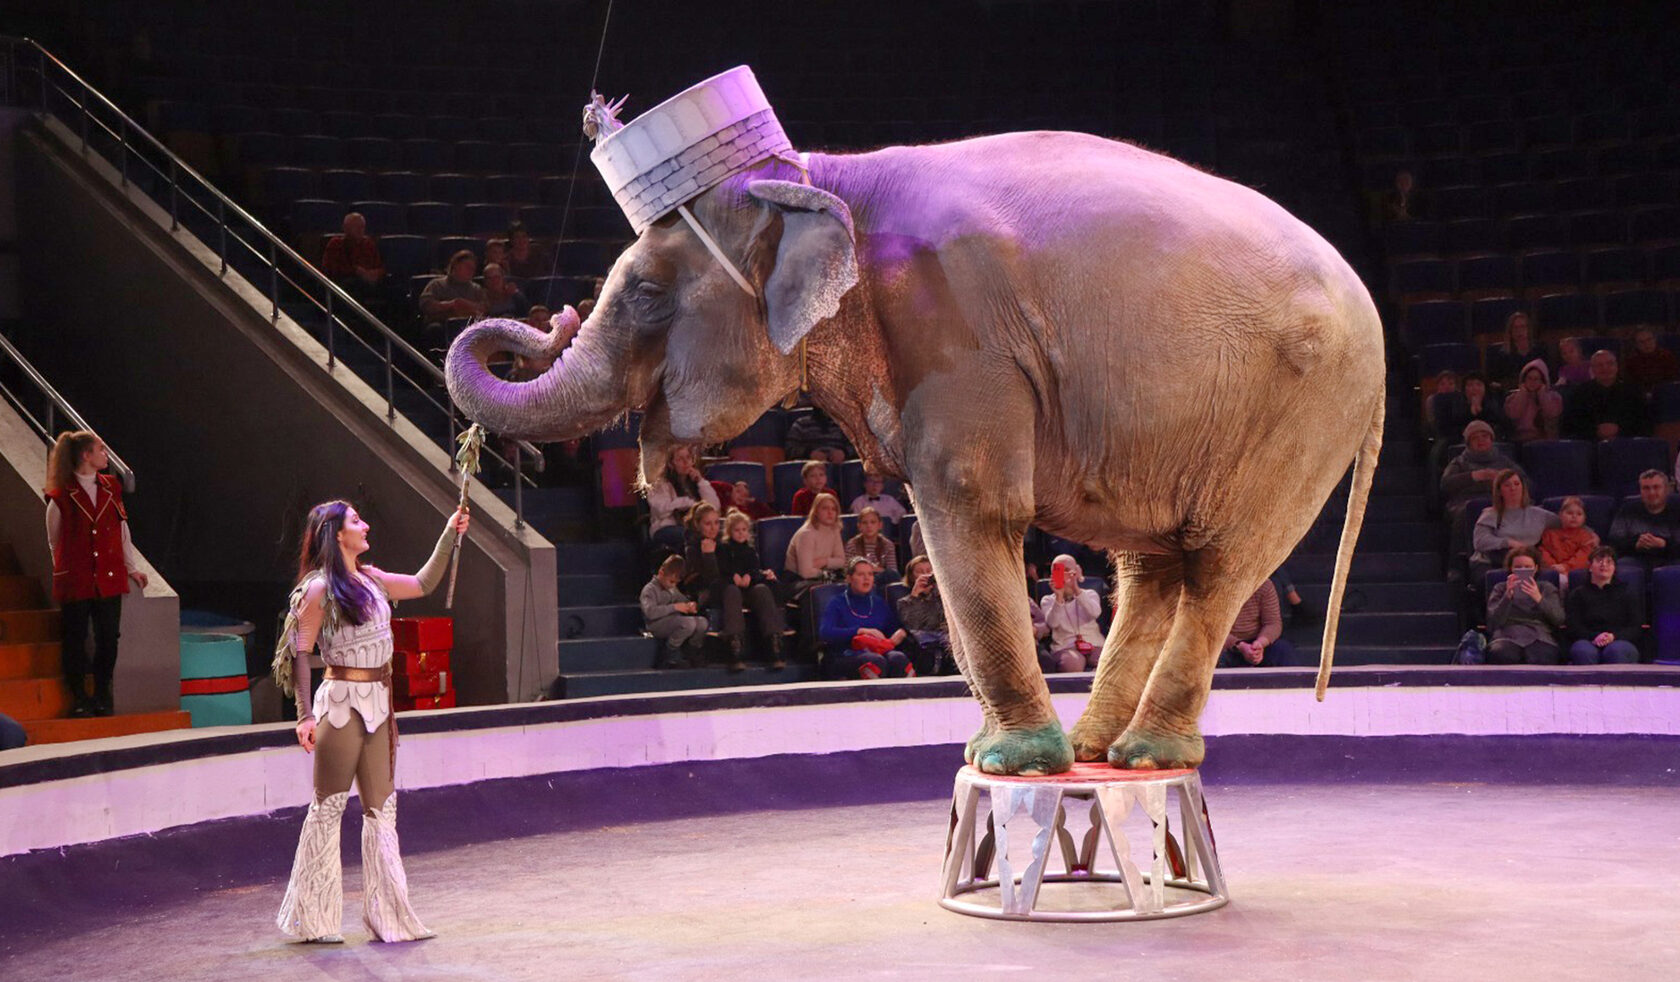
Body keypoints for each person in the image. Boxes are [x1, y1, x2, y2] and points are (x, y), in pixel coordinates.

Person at [272, 500, 467, 943]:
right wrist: (304, 716)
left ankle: (390, 916)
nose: (366, 525)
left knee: (382, 811)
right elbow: (301, 652)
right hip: (340, 704)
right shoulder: (319, 589)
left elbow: (423, 582)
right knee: (328, 808)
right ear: (336, 534)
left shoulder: (373, 579)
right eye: (356, 521)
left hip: (378, 705)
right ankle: (312, 918)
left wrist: (450, 533)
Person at [44, 431, 147, 718]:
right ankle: (79, 696)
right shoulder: (62, 496)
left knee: (107, 637)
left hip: (108, 576)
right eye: (101, 450)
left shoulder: (111, 487)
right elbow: (55, 538)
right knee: (75, 637)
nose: (106, 454)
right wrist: (63, 570)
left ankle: (102, 693)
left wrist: (131, 567)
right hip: (76, 578)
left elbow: (122, 530)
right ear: (86, 456)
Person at [716, 510, 787, 669]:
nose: (741, 533)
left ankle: (773, 645)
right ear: (729, 532)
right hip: (731, 588)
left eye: (744, 530)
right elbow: (721, 570)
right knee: (732, 592)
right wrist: (733, 576)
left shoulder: (750, 551)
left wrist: (751, 576)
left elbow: (755, 569)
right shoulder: (723, 549)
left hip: (749, 589)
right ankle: (735, 648)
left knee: (762, 590)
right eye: (737, 530)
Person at [819, 557, 911, 679]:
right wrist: (860, 631)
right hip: (844, 654)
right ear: (849, 578)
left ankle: (906, 697)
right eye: (861, 574)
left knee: (898, 658)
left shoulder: (878, 603)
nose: (866, 578)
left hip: (876, 649)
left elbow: (893, 628)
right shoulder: (837, 603)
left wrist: (901, 632)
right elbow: (825, 632)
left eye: (870, 574)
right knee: (874, 661)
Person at [1471, 469, 1558, 581]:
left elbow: (1569, 525)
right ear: (1499, 491)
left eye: (1517, 484)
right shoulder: (1490, 514)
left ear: (1523, 487)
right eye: (1507, 485)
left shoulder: (1540, 515)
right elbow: (1480, 542)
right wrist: (1509, 543)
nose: (1513, 488)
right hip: (1492, 562)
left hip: (1527, 562)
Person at [1484, 547, 1565, 665]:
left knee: (1541, 657)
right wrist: (1507, 597)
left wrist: (1538, 598)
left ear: (1536, 568)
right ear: (1511, 568)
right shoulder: (1500, 588)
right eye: (1518, 567)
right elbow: (1493, 622)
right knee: (1502, 654)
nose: (1523, 570)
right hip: (1506, 635)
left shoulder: (1546, 588)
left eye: (1528, 567)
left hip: (1540, 635)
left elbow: (1559, 619)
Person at [1564, 546, 1642, 665]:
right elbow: (1573, 626)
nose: (1604, 564)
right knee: (1583, 651)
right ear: (1590, 567)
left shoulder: (1627, 593)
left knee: (1616, 651)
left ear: (1614, 568)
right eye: (1599, 560)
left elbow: (1635, 626)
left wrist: (1613, 637)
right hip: (1588, 639)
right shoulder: (1577, 594)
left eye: (1609, 562)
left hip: (1620, 639)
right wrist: (1595, 636)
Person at [1561, 350, 1649, 441]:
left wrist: (1620, 429)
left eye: (1610, 364)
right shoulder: (1579, 393)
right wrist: (1595, 431)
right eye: (1599, 365)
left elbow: (1644, 423)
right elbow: (1570, 425)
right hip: (1590, 445)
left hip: (1627, 445)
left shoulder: (1633, 391)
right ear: (1592, 369)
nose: (1605, 368)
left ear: (1616, 366)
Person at [646, 445, 718, 554]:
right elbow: (661, 510)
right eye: (680, 459)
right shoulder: (660, 484)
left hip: (695, 526)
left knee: (724, 531)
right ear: (670, 464)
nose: (686, 462)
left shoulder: (694, 482)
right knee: (693, 536)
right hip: (667, 527)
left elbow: (714, 507)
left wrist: (701, 482)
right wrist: (688, 503)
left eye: (688, 457)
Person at [639, 554, 707, 670]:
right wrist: (674, 607)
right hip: (656, 624)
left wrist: (690, 605)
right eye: (671, 581)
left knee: (702, 622)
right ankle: (670, 652)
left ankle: (692, 649)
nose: (673, 585)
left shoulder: (672, 589)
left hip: (673, 621)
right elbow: (650, 612)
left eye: (676, 583)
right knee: (688, 623)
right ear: (661, 573)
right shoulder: (649, 590)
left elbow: (682, 600)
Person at [1608, 469, 1680, 574]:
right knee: (1622, 568)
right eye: (1646, 488)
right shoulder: (1627, 509)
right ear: (1640, 490)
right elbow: (1613, 543)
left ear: (1666, 489)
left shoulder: (1678, 509)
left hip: (1672, 559)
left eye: (1656, 487)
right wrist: (1635, 544)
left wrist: (1664, 544)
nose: (1651, 492)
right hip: (1636, 559)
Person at [1040, 555, 1103, 673]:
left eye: (1067, 570)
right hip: (1065, 648)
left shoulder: (1090, 594)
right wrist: (1059, 597)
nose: (1064, 575)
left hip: (1094, 644)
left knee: (1105, 662)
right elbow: (1052, 624)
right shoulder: (1048, 600)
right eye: (1059, 571)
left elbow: (1095, 613)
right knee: (1073, 664)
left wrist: (1076, 588)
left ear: (1077, 572)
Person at [1218, 577, 1297, 668]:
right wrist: (1240, 646)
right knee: (1216, 656)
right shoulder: (1214, 587)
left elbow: (1273, 623)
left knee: (1283, 650)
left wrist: (1260, 644)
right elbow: (1212, 630)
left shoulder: (1264, 584)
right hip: (1226, 645)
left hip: (1257, 642)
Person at [896, 554, 955, 675]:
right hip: (922, 647)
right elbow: (912, 624)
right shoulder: (905, 602)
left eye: (929, 570)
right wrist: (915, 596)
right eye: (920, 572)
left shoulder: (946, 599)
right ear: (912, 577)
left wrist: (939, 591)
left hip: (947, 643)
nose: (926, 575)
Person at [785, 492, 848, 601]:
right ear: (816, 512)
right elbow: (806, 572)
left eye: (833, 509)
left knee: (852, 585)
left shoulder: (835, 529)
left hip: (822, 576)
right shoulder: (807, 534)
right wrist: (828, 572)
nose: (830, 512)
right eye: (825, 508)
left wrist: (824, 561)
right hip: (798, 581)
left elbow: (842, 561)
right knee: (824, 590)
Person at [320, 212, 387, 310]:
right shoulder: (336, 244)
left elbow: (379, 266)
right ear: (346, 228)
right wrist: (357, 272)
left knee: (395, 290)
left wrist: (375, 273)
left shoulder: (368, 244)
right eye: (356, 227)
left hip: (369, 282)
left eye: (362, 227)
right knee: (353, 287)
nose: (361, 230)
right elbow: (331, 269)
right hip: (347, 282)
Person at [417, 250, 486, 345]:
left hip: (468, 326)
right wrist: (451, 305)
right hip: (443, 324)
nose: (471, 270)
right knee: (434, 329)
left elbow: (484, 308)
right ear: (455, 265)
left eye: (473, 268)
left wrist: (466, 305)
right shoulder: (437, 285)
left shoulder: (476, 289)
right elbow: (426, 305)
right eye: (467, 266)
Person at [1485, 312, 1551, 392]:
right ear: (1510, 331)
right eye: (1515, 328)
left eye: (1522, 327)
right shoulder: (1500, 355)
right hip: (1510, 394)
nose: (1519, 331)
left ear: (1528, 329)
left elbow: (1546, 376)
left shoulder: (1540, 350)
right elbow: (1494, 381)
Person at [1539, 496, 1599, 584]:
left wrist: (1566, 566)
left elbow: (1585, 555)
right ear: (1560, 515)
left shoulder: (1586, 536)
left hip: (1575, 570)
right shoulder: (1549, 534)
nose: (1574, 516)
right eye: (1569, 513)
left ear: (1584, 518)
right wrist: (1553, 566)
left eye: (1579, 514)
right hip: (1553, 569)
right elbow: (1543, 551)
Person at [1503, 360, 1563, 444]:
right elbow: (1514, 415)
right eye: (1529, 378)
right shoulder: (1512, 398)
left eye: (1536, 379)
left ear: (1543, 380)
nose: (1532, 382)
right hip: (1520, 442)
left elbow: (1551, 413)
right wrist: (1523, 393)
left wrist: (1542, 394)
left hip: (1546, 442)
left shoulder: (1554, 397)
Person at [846, 507, 899, 583]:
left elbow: (893, 572)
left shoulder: (888, 545)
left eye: (873, 522)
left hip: (881, 581)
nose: (869, 526)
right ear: (859, 526)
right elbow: (847, 571)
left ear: (880, 525)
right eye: (864, 523)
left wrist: (875, 569)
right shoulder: (852, 544)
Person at [1622, 327, 1679, 393]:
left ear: (1655, 339)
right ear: (1636, 345)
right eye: (1641, 342)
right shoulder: (1631, 361)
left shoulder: (1667, 356)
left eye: (1649, 339)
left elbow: (1674, 379)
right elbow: (1630, 384)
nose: (1646, 344)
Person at [785, 408, 851, 463]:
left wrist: (844, 452)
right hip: (810, 469)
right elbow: (789, 449)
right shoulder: (801, 424)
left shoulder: (844, 424)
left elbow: (858, 447)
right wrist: (808, 454)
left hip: (840, 468)